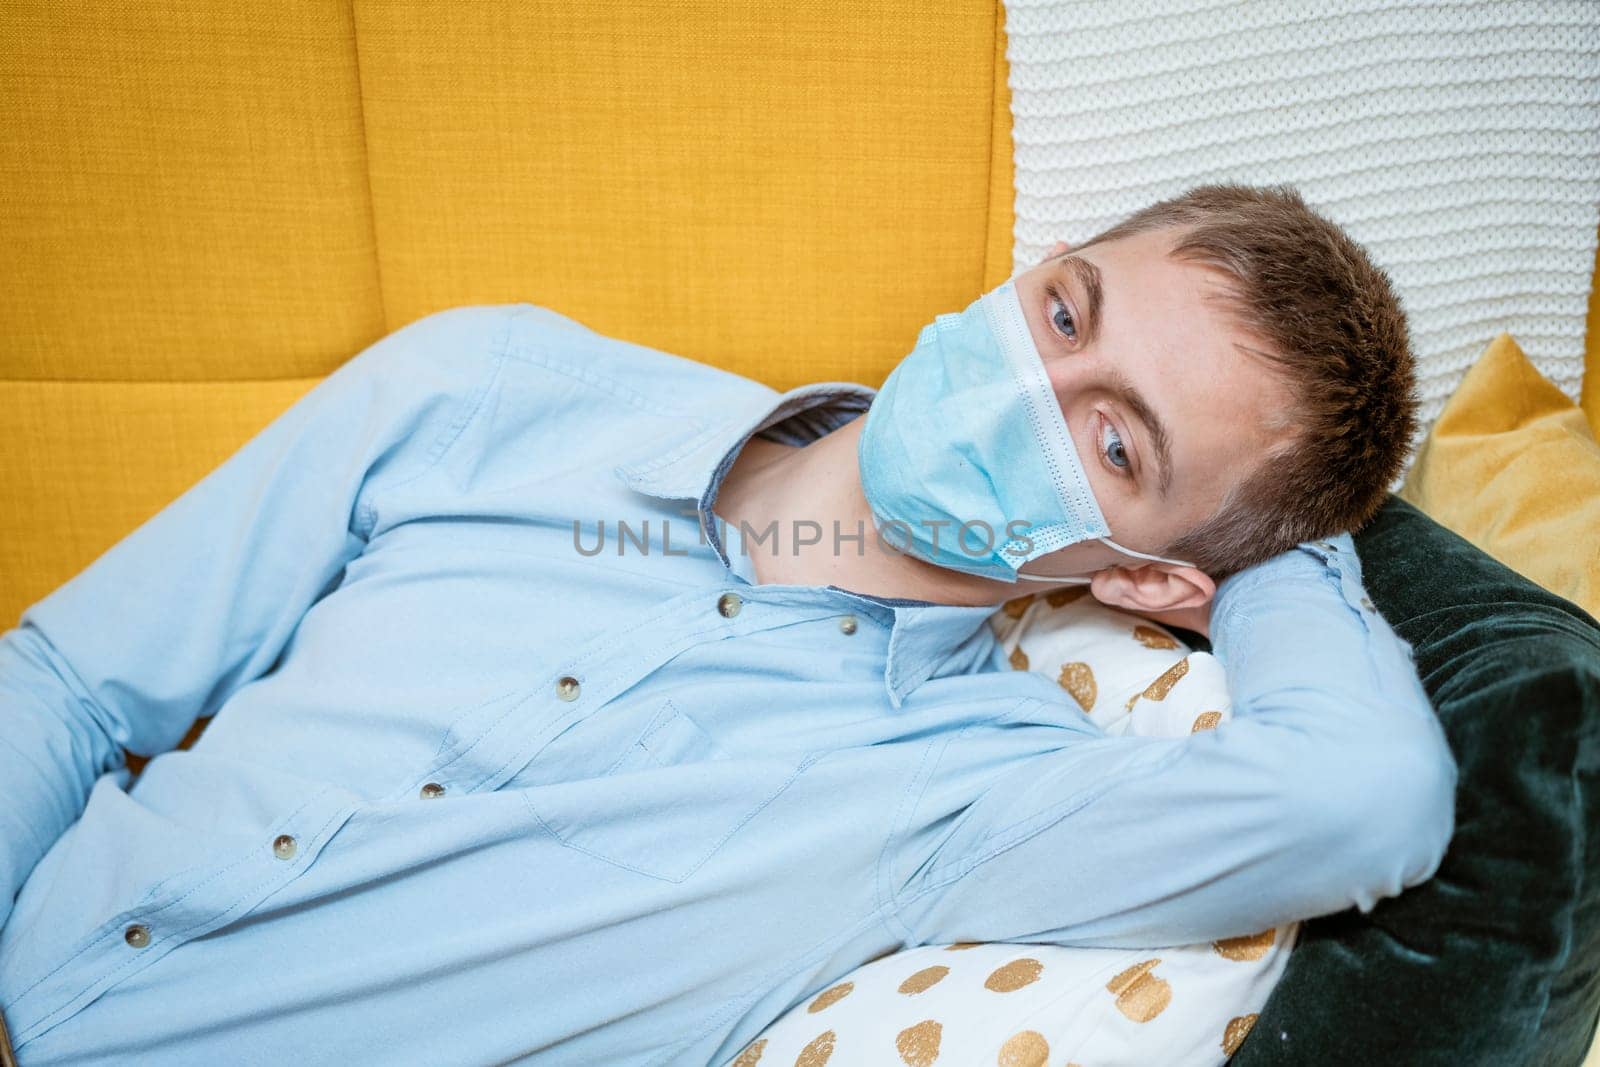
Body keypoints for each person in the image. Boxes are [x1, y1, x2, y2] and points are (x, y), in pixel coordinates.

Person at [0, 183, 1457, 1065]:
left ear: (1146, 580)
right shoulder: (492, 385)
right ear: (1035, 264)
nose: (1031, 387)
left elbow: (1362, 792)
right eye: (1067, 316)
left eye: (1119, 446)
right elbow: (67, 681)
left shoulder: (983, 795)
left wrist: (1276, 548)